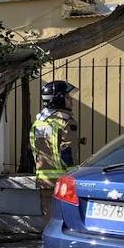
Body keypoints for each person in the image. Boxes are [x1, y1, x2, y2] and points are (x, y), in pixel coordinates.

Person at [31, 80, 79, 224]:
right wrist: (72, 175)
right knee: (65, 219)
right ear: (58, 99)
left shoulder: (39, 121)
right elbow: (67, 150)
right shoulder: (65, 121)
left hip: (44, 178)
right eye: (68, 97)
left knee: (49, 218)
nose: (71, 100)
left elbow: (35, 149)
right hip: (64, 179)